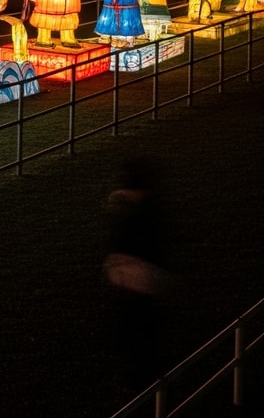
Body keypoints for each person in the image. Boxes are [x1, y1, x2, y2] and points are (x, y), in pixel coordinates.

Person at [104, 155, 172, 394]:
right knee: (142, 332)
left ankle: (133, 377)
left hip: (126, 282)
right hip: (141, 283)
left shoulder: (121, 208)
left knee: (131, 331)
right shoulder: (146, 210)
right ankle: (144, 379)